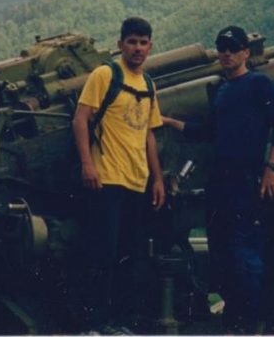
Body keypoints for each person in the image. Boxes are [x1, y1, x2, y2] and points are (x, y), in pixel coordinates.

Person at [162, 24, 274, 335]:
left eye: (233, 48)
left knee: (245, 252)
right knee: (222, 250)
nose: (227, 54)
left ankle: (249, 324)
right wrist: (167, 121)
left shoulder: (260, 85)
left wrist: (271, 168)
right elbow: (208, 132)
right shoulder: (221, 90)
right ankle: (234, 320)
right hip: (220, 181)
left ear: (246, 52)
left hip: (247, 179)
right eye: (222, 48)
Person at [72, 16, 166, 334]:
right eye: (132, 42)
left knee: (130, 256)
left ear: (150, 46)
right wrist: (88, 164)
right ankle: (94, 324)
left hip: (137, 182)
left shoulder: (148, 85)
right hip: (107, 178)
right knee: (102, 254)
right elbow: (81, 119)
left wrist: (158, 179)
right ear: (120, 44)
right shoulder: (105, 74)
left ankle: (120, 322)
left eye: (143, 43)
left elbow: (149, 135)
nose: (137, 48)